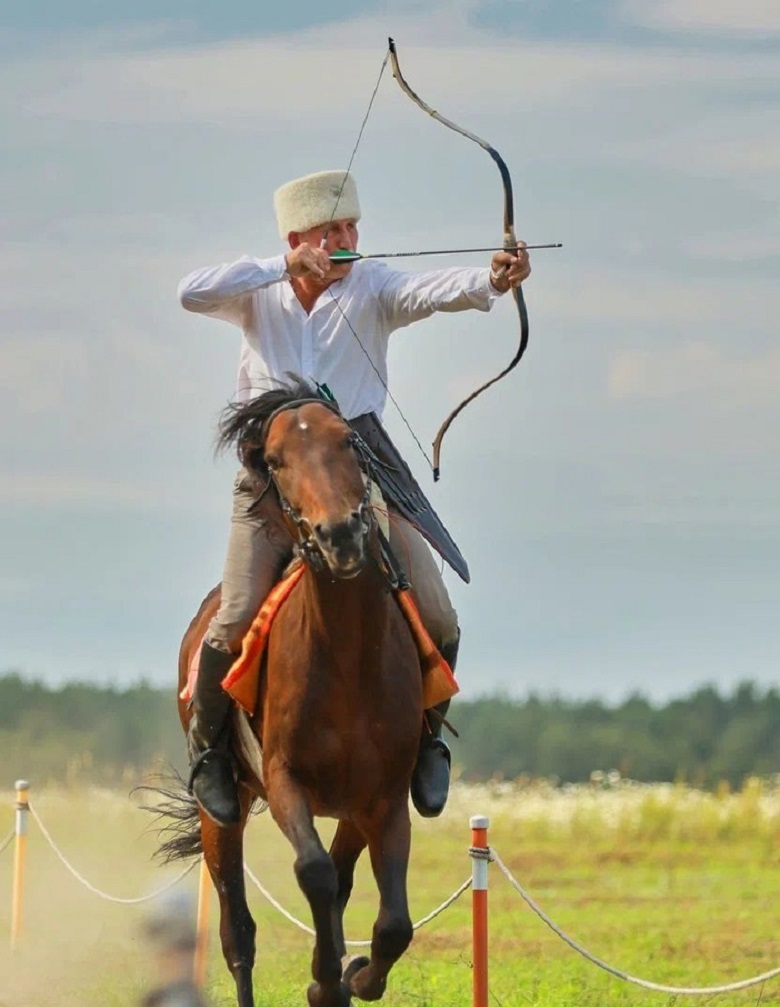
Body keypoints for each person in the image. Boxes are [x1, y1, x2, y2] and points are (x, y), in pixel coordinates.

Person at [178, 169, 531, 827]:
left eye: (351, 229)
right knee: (232, 618)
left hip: (358, 477)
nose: (346, 242)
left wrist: (494, 279)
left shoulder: (372, 286)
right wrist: (280, 267)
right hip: (273, 479)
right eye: (331, 232)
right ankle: (211, 757)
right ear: (299, 239)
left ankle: (426, 744)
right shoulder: (259, 292)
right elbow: (189, 293)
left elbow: (433, 291)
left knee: (440, 616)